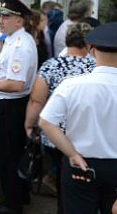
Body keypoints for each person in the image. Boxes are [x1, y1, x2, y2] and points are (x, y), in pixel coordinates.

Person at [39, 22, 117, 214]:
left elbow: (46, 122)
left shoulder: (72, 85)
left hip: (80, 164)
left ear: (91, 50)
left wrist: (72, 153)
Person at [24, 22, 95, 213]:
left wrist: (29, 125)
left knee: (64, 177)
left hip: (55, 134)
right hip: (86, 132)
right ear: (89, 43)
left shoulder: (52, 65)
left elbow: (36, 100)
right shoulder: (94, 66)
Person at [0, 0, 37, 214]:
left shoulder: (19, 46)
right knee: (14, 152)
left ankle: (12, 204)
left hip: (12, 105)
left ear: (19, 20)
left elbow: (16, 84)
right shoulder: (15, 40)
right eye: (0, 15)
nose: (1, 20)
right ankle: (19, 196)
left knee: (9, 155)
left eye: (7, 16)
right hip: (14, 104)